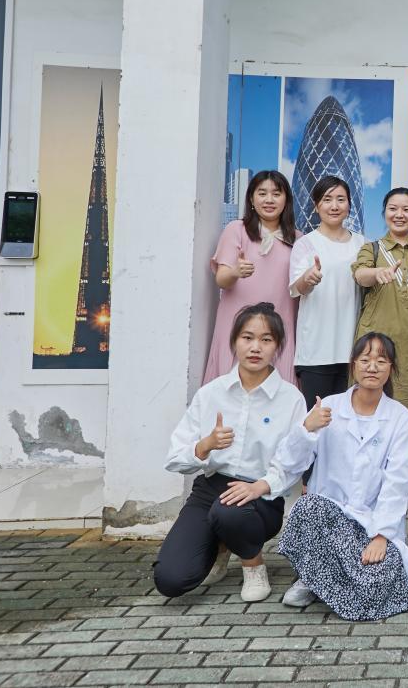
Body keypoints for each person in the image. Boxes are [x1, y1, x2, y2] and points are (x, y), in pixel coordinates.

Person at [154, 303, 304, 603]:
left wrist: (261, 486)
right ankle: (222, 545)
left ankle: (253, 564)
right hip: (210, 489)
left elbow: (295, 462)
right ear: (234, 341)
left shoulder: (291, 399)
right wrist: (205, 445)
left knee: (230, 511)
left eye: (266, 339)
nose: (255, 347)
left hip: (261, 497)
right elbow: (174, 457)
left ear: (277, 346)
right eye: (247, 338)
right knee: (170, 580)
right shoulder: (211, 393)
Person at [272, 332, 408, 620]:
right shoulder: (328, 407)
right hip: (327, 522)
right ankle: (311, 578)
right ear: (353, 364)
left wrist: (381, 536)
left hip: (371, 523)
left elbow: (397, 483)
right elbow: (291, 463)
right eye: (365, 360)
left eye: (381, 361)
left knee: (378, 584)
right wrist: (307, 428)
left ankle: (328, 581)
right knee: (308, 506)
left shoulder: (400, 418)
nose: (372, 367)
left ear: (391, 368)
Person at [203, 171, 298, 385]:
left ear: (286, 200)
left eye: (276, 194)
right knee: (230, 389)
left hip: (279, 326)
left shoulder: (297, 239)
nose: (269, 199)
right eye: (262, 193)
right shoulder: (237, 229)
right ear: (252, 199)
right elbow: (221, 278)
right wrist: (235, 272)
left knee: (277, 392)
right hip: (238, 324)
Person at [352, 187, 408, 409]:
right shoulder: (372, 249)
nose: (399, 215)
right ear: (384, 213)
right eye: (393, 209)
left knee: (406, 414)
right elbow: (360, 275)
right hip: (373, 346)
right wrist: (377, 273)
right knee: (368, 406)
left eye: (407, 210)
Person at [288, 175, 365, 408]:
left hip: (353, 351)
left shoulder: (363, 244)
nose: (334, 206)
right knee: (316, 417)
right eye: (327, 199)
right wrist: (308, 279)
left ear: (349, 205)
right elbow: (297, 287)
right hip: (316, 351)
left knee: (348, 419)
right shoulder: (305, 243)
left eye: (341, 199)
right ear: (316, 205)